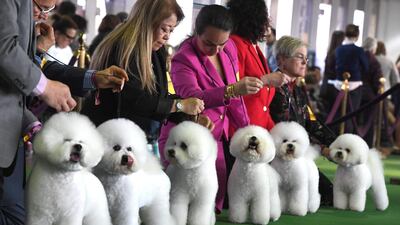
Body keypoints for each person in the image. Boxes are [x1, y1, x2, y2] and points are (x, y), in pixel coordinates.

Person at [158, 4, 265, 213]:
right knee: (181, 204)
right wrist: (232, 89)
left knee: (211, 205)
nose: (216, 50)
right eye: (209, 43)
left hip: (220, 137)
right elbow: (193, 99)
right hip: (189, 142)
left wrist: (249, 131)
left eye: (222, 44)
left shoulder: (230, 48)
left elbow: (236, 99)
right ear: (196, 32)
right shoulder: (183, 59)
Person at [81, 0, 204, 145]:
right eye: (164, 29)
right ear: (147, 22)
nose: (167, 36)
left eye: (171, 30)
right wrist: (179, 105)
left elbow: (157, 96)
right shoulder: (123, 48)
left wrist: (187, 114)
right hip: (107, 138)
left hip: (130, 138)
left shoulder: (156, 51)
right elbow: (133, 98)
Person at [0, 0, 77, 223]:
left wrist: (30, 121)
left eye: (48, 10)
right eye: (41, 7)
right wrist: (45, 87)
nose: (42, 15)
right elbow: (4, 49)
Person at [269, 36, 337, 206]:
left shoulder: (297, 89)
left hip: (299, 153)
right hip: (281, 156)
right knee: (327, 195)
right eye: (300, 57)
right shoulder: (276, 89)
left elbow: (311, 121)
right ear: (281, 60)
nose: (305, 62)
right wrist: (322, 148)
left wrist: (336, 144)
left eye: (306, 58)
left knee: (331, 194)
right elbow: (287, 130)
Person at [227, 0, 286, 131]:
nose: (268, 21)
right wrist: (266, 80)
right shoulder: (235, 44)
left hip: (258, 130)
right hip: (242, 131)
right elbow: (234, 88)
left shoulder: (254, 47)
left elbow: (263, 107)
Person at [332, 24, 368, 133]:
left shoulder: (338, 49)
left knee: (337, 114)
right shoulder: (359, 50)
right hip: (355, 84)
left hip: (338, 84)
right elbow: (366, 67)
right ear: (357, 35)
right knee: (351, 115)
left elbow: (334, 66)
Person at [320, 30, 344, 113]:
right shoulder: (339, 54)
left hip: (326, 85)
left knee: (327, 112)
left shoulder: (329, 52)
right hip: (335, 87)